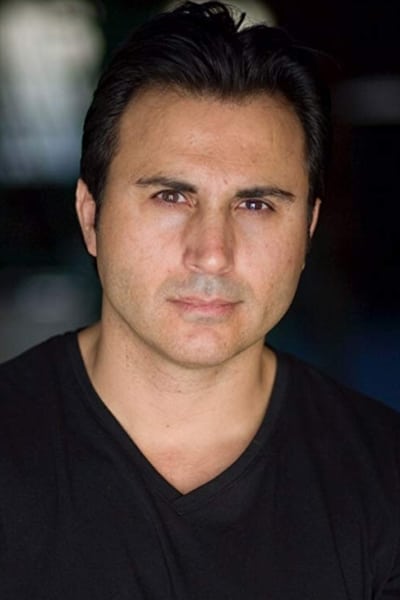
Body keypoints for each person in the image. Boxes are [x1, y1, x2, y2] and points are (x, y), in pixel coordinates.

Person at [0, 2, 399, 598]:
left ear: (308, 231)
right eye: (170, 197)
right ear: (90, 217)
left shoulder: (385, 479)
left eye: (256, 205)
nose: (212, 254)